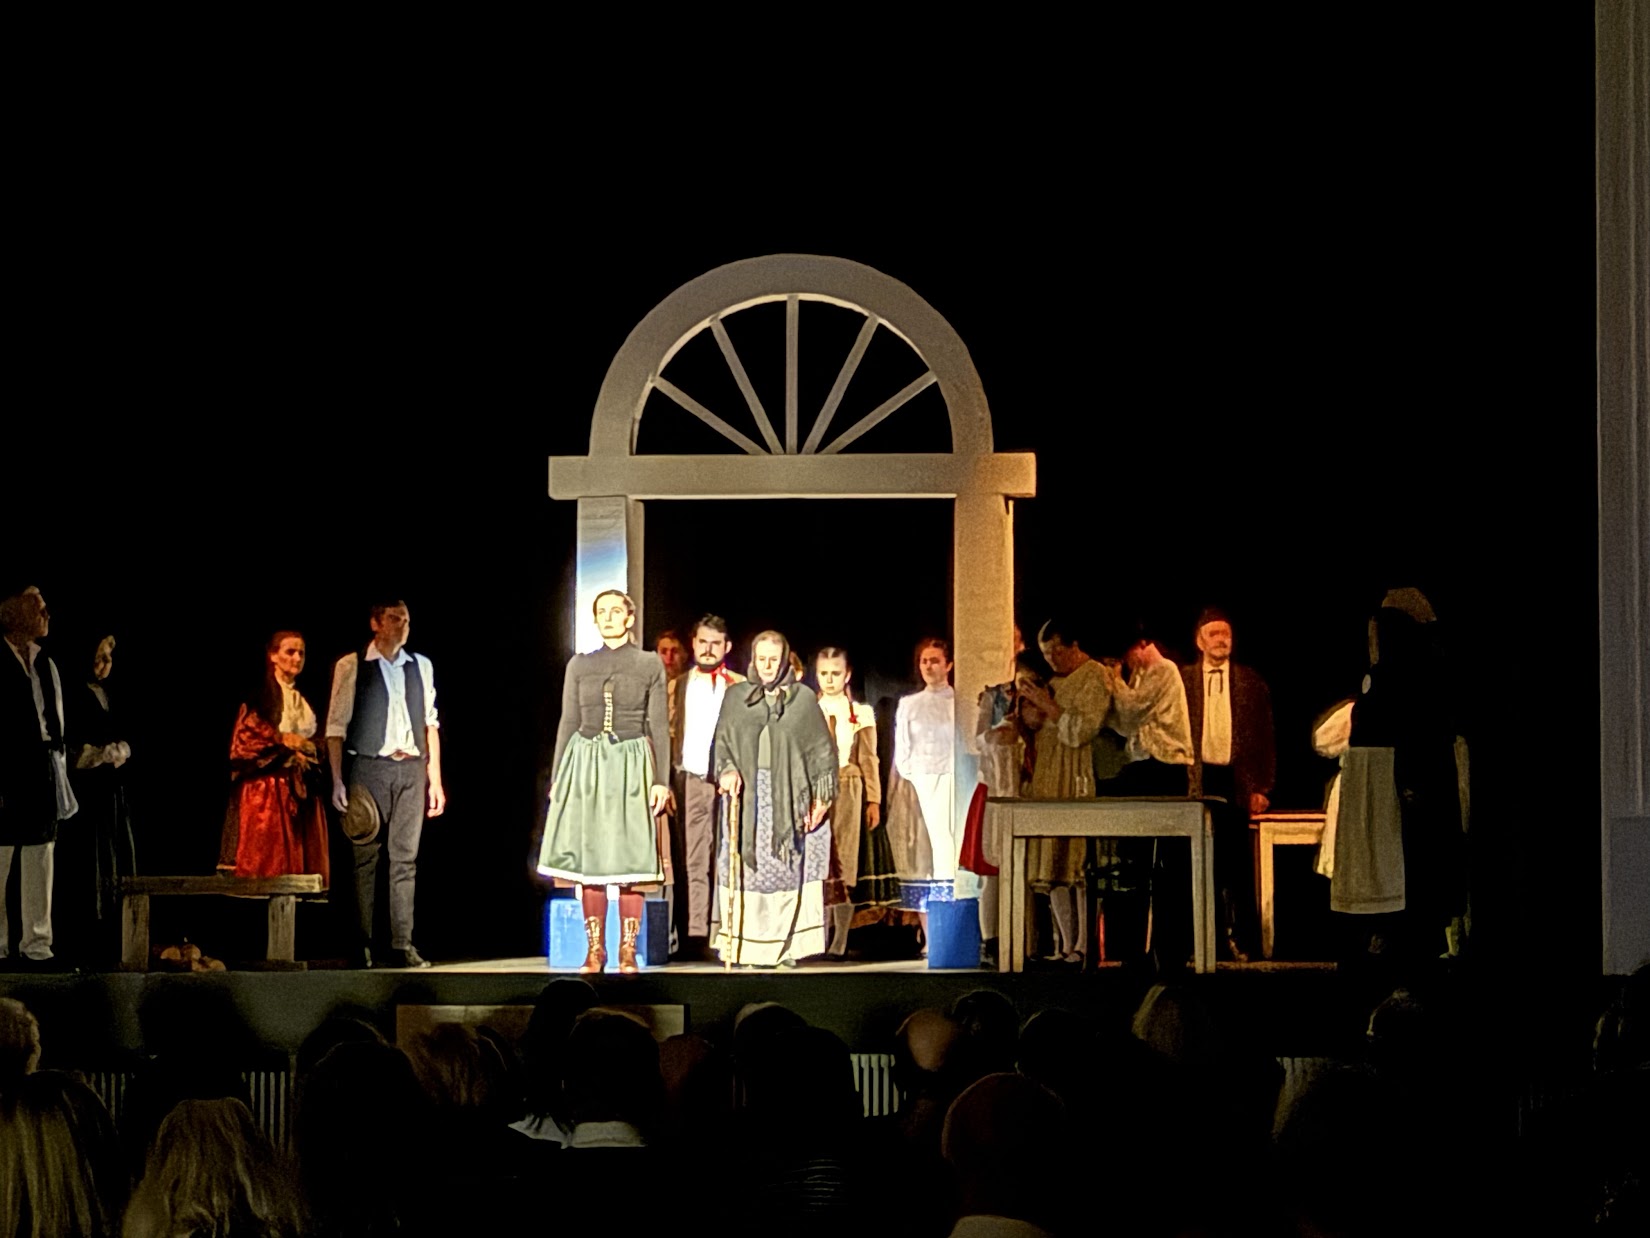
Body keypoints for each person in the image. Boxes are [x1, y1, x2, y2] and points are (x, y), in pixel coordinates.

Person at [540, 589, 670, 974]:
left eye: (616, 611)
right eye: (602, 612)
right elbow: (568, 721)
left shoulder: (648, 663)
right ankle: (595, 950)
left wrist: (661, 780)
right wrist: (559, 776)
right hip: (586, 763)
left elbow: (658, 725)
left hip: (631, 763)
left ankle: (628, 949)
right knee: (590, 861)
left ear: (629, 619)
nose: (609, 617)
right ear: (595, 620)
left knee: (631, 860)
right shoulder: (580, 665)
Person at [326, 599, 445, 970]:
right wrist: (337, 780)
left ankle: (401, 944)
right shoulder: (352, 665)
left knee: (405, 859)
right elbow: (335, 727)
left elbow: (430, 724)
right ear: (376, 623)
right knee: (364, 859)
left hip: (411, 767)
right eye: (394, 619)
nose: (402, 626)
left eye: (406, 620)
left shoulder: (420, 665)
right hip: (369, 766)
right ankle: (361, 945)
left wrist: (435, 780)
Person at [712, 630, 838, 968]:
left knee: (785, 870)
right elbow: (722, 743)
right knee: (749, 871)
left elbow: (822, 752)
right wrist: (727, 770)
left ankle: (785, 949)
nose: (767, 666)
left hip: (789, 797)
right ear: (753, 659)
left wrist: (821, 798)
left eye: (774, 659)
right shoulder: (736, 697)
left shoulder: (803, 700)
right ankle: (748, 950)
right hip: (747, 797)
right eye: (762, 659)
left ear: (784, 661)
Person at [1019, 620, 1117, 964]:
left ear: (1074, 646)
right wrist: (1028, 707)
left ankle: (1084, 945)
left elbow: (1082, 729)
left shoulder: (1095, 676)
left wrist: (1048, 706)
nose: (1052, 660)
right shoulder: (1054, 681)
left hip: (1077, 775)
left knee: (1078, 863)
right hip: (1049, 775)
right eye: (1046, 654)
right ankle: (1064, 944)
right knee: (1054, 862)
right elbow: (1037, 724)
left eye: (1057, 652)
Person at [1180, 607, 1275, 962]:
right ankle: (1205, 941)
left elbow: (1266, 737)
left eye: (1226, 634)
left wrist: (1262, 787)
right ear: (1199, 640)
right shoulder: (1184, 680)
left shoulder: (1250, 681)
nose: (1221, 640)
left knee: (1237, 867)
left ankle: (1246, 942)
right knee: (1198, 863)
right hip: (1197, 779)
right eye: (1214, 634)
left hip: (1236, 780)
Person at [0, 586, 77, 970]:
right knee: (0, 857)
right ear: (13, 614)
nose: (47, 615)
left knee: (41, 855)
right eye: (38, 608)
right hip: (6, 768)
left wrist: (58, 770)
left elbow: (55, 723)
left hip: (43, 768)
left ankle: (37, 946)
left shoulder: (45, 664)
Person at [218, 630, 329, 887]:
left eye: (301, 653)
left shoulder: (306, 699)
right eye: (290, 652)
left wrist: (308, 748)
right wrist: (282, 744)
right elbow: (244, 744)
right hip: (267, 791)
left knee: (302, 865)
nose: (297, 658)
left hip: (301, 791)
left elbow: (321, 742)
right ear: (273, 656)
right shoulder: (260, 699)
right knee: (268, 863)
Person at [666, 614, 744, 959]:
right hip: (693, 779)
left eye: (716, 643)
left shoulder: (740, 685)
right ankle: (698, 934)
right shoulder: (678, 685)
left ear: (727, 646)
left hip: (732, 782)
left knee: (730, 857)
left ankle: (728, 931)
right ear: (694, 644)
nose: (709, 649)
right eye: (703, 642)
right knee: (695, 859)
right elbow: (667, 733)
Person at [60, 633, 136, 967]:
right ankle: (83, 941)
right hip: (85, 794)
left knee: (116, 859)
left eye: (108, 658)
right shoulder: (71, 693)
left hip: (111, 793)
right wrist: (99, 754)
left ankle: (114, 940)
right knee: (88, 864)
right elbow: (70, 745)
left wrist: (123, 749)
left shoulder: (110, 693)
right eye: (98, 658)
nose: (105, 665)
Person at [887, 637, 959, 952]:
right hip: (916, 788)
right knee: (921, 861)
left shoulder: (958, 702)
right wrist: (911, 781)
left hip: (950, 786)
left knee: (948, 858)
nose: (929, 666)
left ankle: (951, 937)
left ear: (948, 665)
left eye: (935, 660)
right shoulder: (909, 704)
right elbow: (902, 748)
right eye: (924, 661)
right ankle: (930, 938)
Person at [813, 646, 884, 957]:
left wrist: (873, 799)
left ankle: (840, 938)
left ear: (847, 674)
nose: (829, 679)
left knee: (844, 862)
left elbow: (869, 757)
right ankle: (817, 935)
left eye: (836, 673)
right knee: (817, 862)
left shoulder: (860, 713)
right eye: (824, 673)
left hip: (848, 787)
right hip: (814, 789)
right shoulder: (809, 709)